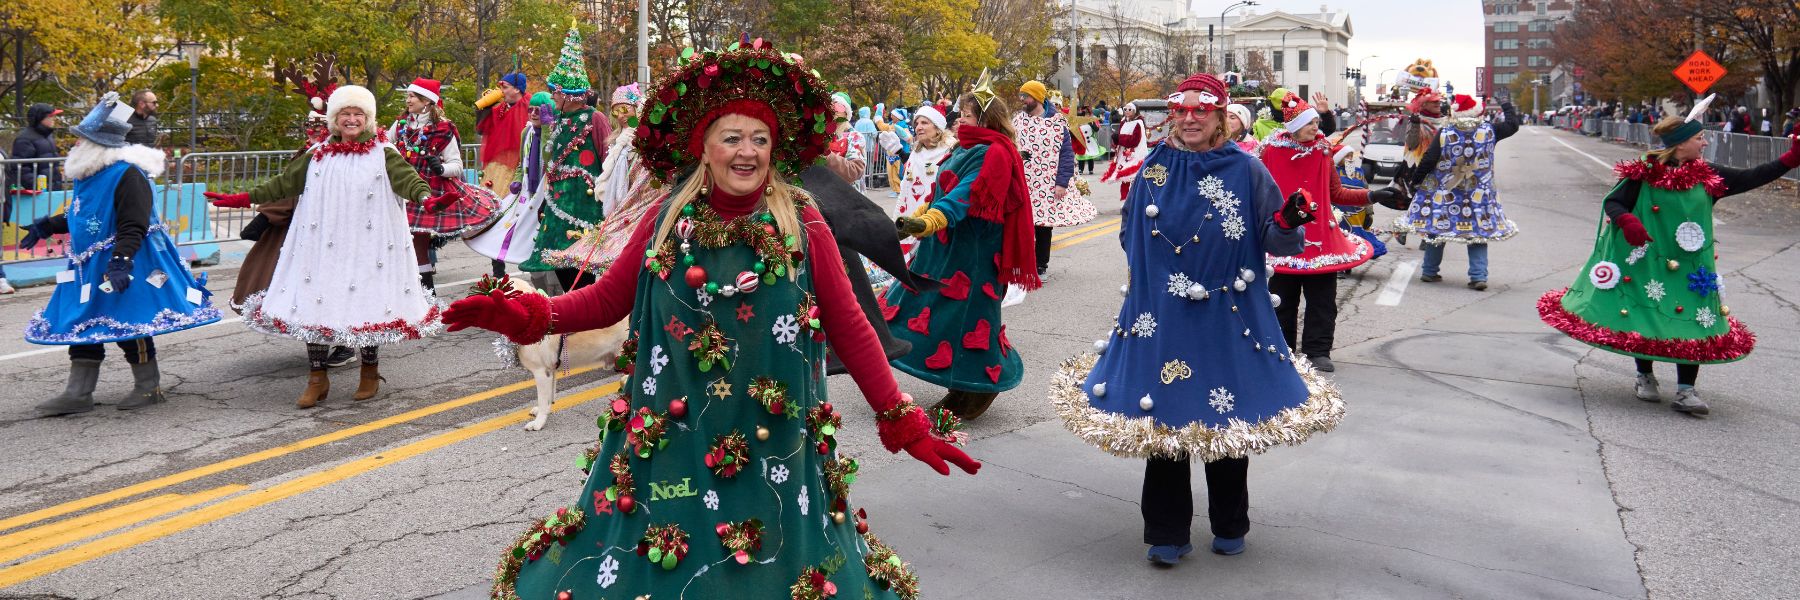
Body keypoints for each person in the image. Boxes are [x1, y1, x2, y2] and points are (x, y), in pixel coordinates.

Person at [441, 42, 977, 599]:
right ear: (704, 148)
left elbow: (851, 326)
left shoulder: (804, 221)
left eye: (760, 139)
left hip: (777, 440)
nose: (747, 152)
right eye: (733, 138)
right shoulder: (665, 217)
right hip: (673, 431)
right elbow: (602, 304)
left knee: (771, 565)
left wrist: (900, 417)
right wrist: (528, 314)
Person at [1049, 73, 1343, 566]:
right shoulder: (1154, 165)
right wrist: (1154, 284)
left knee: (1225, 418)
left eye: (1200, 110)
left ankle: (1230, 524)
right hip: (1161, 314)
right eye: (1180, 110)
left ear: (1220, 116)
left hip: (1227, 314)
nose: (1189, 118)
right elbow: (1130, 230)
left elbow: (1276, 238)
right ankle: (1166, 532)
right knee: (1164, 418)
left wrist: (1290, 220)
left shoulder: (1245, 169)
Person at [205, 85, 455, 408]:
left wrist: (426, 199)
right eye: (345, 114)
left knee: (367, 306)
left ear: (367, 119)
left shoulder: (383, 152)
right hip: (321, 245)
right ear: (334, 119)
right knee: (314, 303)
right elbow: (283, 183)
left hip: (368, 246)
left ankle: (369, 370)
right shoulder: (318, 154)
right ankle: (317, 377)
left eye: (357, 114)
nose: (351, 120)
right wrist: (241, 199)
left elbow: (408, 180)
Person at [1539, 107, 1800, 417]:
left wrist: (1791, 158)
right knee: (1643, 315)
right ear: (1680, 144)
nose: (1705, 144)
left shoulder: (1709, 176)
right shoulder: (1644, 173)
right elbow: (1614, 201)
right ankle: (1645, 376)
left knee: (1693, 319)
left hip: (1691, 269)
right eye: (1700, 138)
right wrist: (1627, 221)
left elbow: (1752, 177)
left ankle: (1686, 390)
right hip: (1648, 262)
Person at [21, 92, 221, 415]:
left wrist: (121, 261)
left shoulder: (127, 174)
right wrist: (47, 226)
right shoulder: (90, 175)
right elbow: (82, 214)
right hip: (89, 265)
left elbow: (134, 223)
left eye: (81, 141)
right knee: (83, 322)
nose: (74, 146)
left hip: (128, 260)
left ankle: (147, 386)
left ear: (98, 146)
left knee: (130, 321)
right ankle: (78, 393)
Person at [887, 69, 1040, 421]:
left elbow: (965, 195)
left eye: (967, 116)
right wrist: (918, 219)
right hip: (945, 249)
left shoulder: (994, 153)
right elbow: (942, 190)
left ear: (984, 119)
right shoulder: (966, 147)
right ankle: (958, 380)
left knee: (967, 318)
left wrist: (930, 221)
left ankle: (975, 388)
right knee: (918, 305)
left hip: (973, 254)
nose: (960, 121)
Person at [1257, 91, 1374, 373]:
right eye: (1310, 123)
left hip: (1322, 240)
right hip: (1282, 237)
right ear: (1295, 126)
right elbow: (1257, 191)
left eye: (1316, 123)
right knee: (1281, 300)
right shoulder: (1270, 152)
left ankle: (1318, 350)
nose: (1316, 127)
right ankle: (1282, 348)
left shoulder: (1323, 151)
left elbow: (1336, 193)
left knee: (1322, 301)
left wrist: (1372, 196)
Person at [1387, 94, 1522, 289]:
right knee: (1477, 234)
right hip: (1479, 194)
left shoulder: (1445, 133)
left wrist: (1416, 181)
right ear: (1478, 112)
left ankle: (1429, 271)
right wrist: (1506, 104)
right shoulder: (1490, 130)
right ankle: (1478, 276)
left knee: (1437, 231)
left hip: (1444, 193)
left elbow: (1428, 159)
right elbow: (1513, 125)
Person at [518, 22, 611, 293]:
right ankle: (573, 305)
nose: (553, 96)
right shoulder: (557, 119)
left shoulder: (594, 117)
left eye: (556, 91)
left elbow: (607, 159)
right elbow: (549, 158)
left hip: (586, 205)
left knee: (582, 263)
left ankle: (583, 309)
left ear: (570, 94)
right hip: (558, 204)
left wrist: (609, 201)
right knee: (557, 260)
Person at [388, 77, 501, 292]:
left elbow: (456, 165)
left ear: (427, 101)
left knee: (418, 244)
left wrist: (440, 169)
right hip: (403, 188)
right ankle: (412, 294)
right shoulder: (401, 123)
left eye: (412, 96)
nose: (408, 99)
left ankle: (426, 295)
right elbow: (384, 145)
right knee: (407, 245)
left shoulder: (443, 128)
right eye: (409, 95)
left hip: (429, 192)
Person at [1014, 80, 1095, 278]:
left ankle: (1040, 265)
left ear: (1038, 97)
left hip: (1047, 184)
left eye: (1026, 96)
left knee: (1042, 225)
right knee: (1021, 225)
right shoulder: (1018, 120)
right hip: (1023, 183)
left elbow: (1066, 154)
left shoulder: (1057, 122)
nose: (1022, 100)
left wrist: (1062, 182)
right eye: (1021, 96)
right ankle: (1022, 263)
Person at [474, 72, 532, 278]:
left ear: (517, 88)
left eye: (505, 86)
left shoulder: (528, 107)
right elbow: (483, 129)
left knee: (517, 215)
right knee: (495, 214)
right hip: (497, 169)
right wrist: (485, 108)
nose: (502, 91)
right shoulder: (500, 109)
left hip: (517, 169)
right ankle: (497, 266)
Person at [896, 105, 956, 260]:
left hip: (937, 219)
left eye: (924, 123)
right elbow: (905, 188)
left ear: (937, 128)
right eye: (916, 124)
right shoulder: (916, 152)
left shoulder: (952, 151)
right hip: (912, 216)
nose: (918, 127)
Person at [11, 103, 63, 191]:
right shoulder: (24, 139)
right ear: (40, 119)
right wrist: (37, 187)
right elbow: (21, 168)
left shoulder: (47, 136)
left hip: (52, 190)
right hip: (38, 194)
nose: (54, 119)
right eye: (50, 117)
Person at [1103, 102, 1148, 199]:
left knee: (1134, 177)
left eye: (1129, 109)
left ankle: (1135, 199)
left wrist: (1119, 138)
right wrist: (1116, 140)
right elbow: (1119, 136)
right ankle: (1125, 199)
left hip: (1135, 154)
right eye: (1125, 109)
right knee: (1124, 179)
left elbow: (1135, 141)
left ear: (1135, 111)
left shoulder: (1138, 122)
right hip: (1124, 155)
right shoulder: (1123, 121)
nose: (1127, 111)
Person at [824, 92, 868, 186]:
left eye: (838, 106)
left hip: (846, 196)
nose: (833, 110)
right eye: (830, 106)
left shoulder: (854, 136)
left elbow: (855, 171)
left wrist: (826, 155)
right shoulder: (823, 135)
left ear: (846, 113)